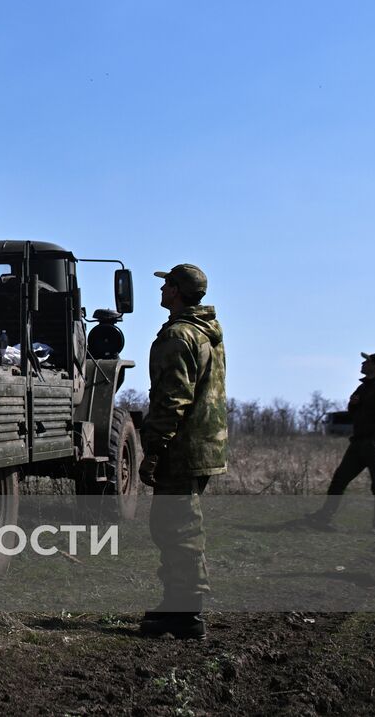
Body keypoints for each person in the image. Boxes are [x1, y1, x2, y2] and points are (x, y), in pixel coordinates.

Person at [138, 263, 227, 639]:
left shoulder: (180, 335)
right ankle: (178, 604)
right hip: (201, 444)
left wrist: (154, 449)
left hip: (182, 447)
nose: (161, 290)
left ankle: (186, 613)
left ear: (176, 291)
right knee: (174, 525)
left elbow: (172, 399)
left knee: (179, 529)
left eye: (166, 284)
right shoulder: (205, 332)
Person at [307, 353, 375, 534]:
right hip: (358, 443)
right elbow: (352, 412)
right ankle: (324, 517)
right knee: (339, 479)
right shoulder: (363, 387)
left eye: (367, 361)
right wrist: (353, 404)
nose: (363, 363)